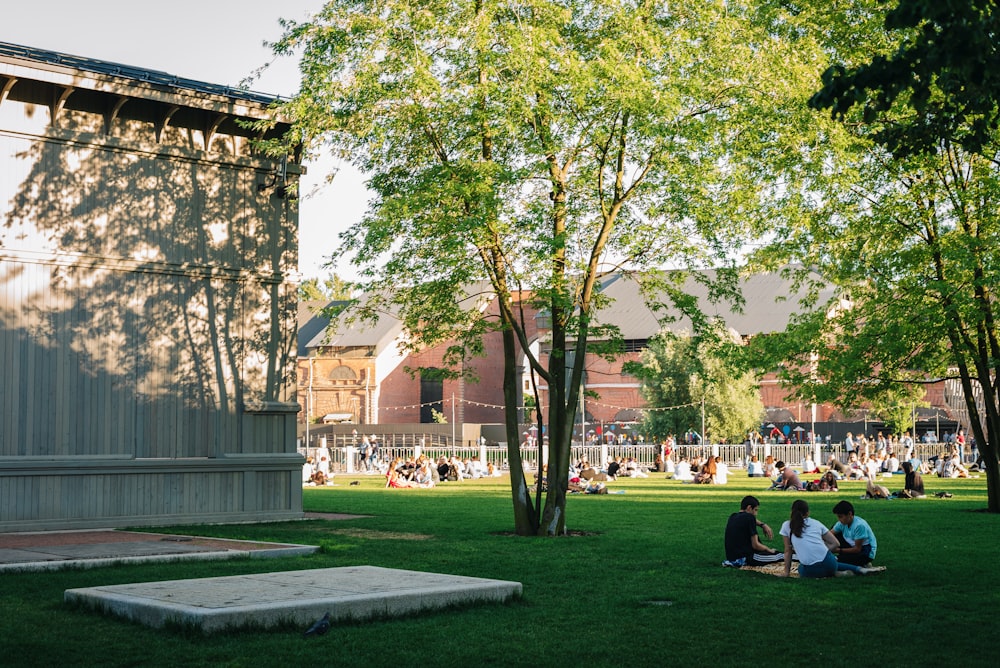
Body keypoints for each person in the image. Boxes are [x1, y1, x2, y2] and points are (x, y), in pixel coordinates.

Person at [779, 499, 884, 578]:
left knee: (801, 568)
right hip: (830, 562)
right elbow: (835, 542)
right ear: (808, 513)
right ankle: (859, 569)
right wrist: (823, 549)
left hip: (863, 551)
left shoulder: (786, 525)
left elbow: (787, 551)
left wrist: (786, 572)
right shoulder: (816, 523)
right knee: (833, 562)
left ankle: (837, 573)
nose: (839, 519)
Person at [723, 495, 784, 568]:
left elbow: (751, 520)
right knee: (781, 555)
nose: (756, 514)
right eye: (755, 510)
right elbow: (755, 545)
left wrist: (762, 525)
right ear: (749, 508)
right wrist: (768, 550)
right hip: (747, 558)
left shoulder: (733, 516)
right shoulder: (750, 518)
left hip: (732, 557)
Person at [831, 500, 878, 567]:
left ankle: (862, 563)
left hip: (864, 552)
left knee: (836, 561)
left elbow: (857, 549)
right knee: (832, 535)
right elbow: (828, 535)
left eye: (840, 516)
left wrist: (838, 550)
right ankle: (857, 563)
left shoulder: (859, 526)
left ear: (849, 514)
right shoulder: (842, 523)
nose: (839, 519)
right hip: (852, 546)